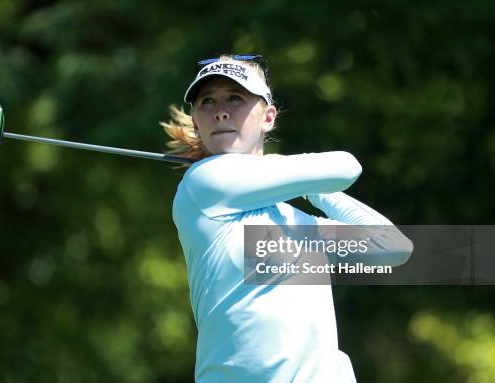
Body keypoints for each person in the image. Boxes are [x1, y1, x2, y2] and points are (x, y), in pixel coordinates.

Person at [161, 54, 413, 382]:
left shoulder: (297, 224)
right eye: (207, 101)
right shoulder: (203, 185)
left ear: (268, 117)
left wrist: (318, 193)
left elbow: (393, 247)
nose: (221, 110)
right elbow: (345, 166)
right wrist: (308, 182)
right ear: (196, 121)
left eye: (235, 98)